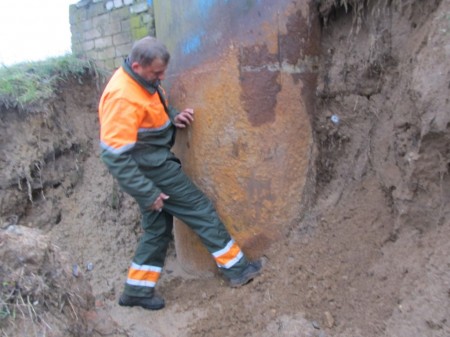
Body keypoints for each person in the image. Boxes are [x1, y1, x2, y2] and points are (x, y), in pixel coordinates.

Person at [98, 36, 262, 310]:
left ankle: (137, 290)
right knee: (199, 209)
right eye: (157, 73)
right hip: (152, 170)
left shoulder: (142, 81)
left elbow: (151, 110)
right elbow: (114, 157)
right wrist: (147, 192)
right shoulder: (121, 96)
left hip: (152, 164)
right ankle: (238, 270)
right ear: (137, 66)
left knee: (157, 229)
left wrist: (172, 115)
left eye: (163, 71)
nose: (161, 77)